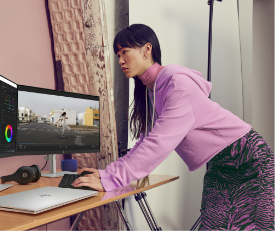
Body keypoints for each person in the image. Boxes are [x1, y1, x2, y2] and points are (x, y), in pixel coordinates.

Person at [71, 24, 275, 230]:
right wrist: (106, 174)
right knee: (213, 224)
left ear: (146, 49)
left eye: (125, 52)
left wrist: (111, 180)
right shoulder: (153, 91)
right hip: (220, 165)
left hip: (248, 158)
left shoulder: (177, 85)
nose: (121, 61)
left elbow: (159, 144)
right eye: (118, 55)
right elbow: (146, 142)